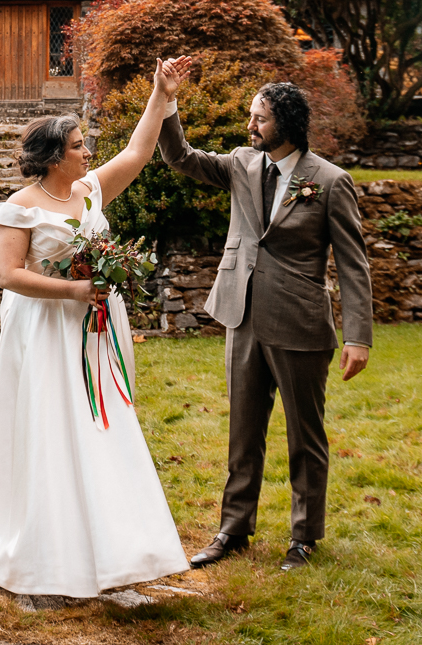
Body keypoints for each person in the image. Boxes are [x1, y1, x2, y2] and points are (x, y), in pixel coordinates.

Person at [0, 78, 189, 598]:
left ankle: (112, 543)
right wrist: (73, 288)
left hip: (97, 328)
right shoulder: (19, 206)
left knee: (102, 424)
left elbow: (139, 150)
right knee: (53, 425)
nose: (88, 153)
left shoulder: (91, 190)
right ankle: (47, 548)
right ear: (54, 156)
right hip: (46, 331)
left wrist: (159, 94)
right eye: (78, 146)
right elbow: (7, 276)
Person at [156, 58, 373, 572]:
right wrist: (168, 102)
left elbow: (353, 262)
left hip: (300, 322)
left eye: (260, 119)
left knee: (305, 434)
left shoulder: (330, 181)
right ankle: (233, 530)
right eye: (251, 117)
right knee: (243, 430)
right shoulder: (240, 164)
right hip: (242, 314)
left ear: (288, 125)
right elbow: (179, 156)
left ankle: (304, 537)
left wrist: (358, 336)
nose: (249, 126)